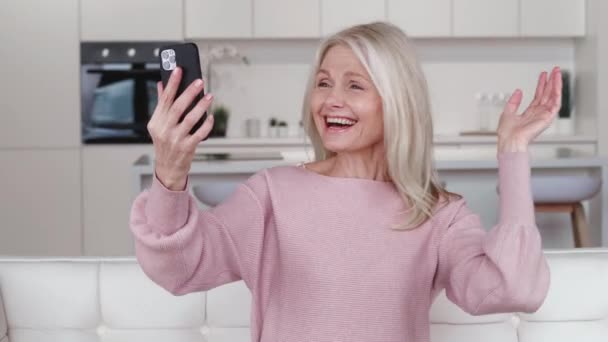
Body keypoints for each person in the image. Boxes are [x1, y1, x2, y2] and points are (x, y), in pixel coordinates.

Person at [130, 22, 559, 341]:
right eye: (323, 83)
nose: (331, 99)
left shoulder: (439, 215)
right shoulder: (272, 194)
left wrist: (514, 153)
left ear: (397, 103)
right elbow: (176, 268)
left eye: (355, 85)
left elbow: (512, 288)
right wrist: (169, 172)